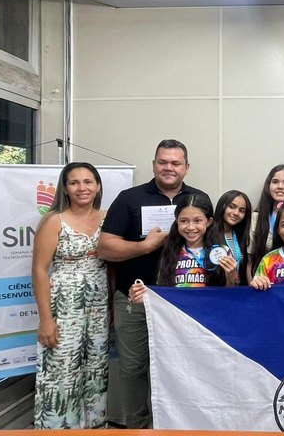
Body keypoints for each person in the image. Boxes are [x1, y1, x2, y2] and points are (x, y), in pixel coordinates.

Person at [97, 139, 207, 428]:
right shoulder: (129, 199)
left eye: (176, 163)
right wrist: (145, 247)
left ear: (186, 167)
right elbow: (105, 248)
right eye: (163, 162)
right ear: (154, 164)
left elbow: (212, 245)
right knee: (133, 369)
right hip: (135, 300)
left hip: (184, 304)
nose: (169, 168)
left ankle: (177, 427)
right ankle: (137, 428)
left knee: (184, 368)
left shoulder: (198, 199)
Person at [32, 162, 108, 428]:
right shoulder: (54, 221)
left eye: (88, 182)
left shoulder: (108, 218)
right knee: (61, 372)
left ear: (98, 186)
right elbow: (39, 271)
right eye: (74, 182)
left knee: (95, 370)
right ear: (65, 188)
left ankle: (93, 428)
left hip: (98, 305)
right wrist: (46, 320)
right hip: (64, 306)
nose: (81, 188)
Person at [129, 194, 238, 302]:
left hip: (209, 310)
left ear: (208, 222)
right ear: (177, 222)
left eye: (197, 221)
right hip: (178, 312)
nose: (190, 227)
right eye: (184, 221)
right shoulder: (169, 252)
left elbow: (231, 295)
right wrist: (143, 296)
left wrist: (230, 276)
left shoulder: (221, 252)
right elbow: (163, 293)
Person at [248, 164, 284, 281]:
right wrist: (253, 287)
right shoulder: (256, 218)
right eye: (275, 182)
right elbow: (250, 262)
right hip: (264, 285)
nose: (280, 186)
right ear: (268, 185)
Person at [214, 190, 252, 285]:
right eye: (232, 207)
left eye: (242, 211)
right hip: (216, 290)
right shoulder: (209, 234)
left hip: (238, 289)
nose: (236, 213)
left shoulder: (242, 235)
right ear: (222, 206)